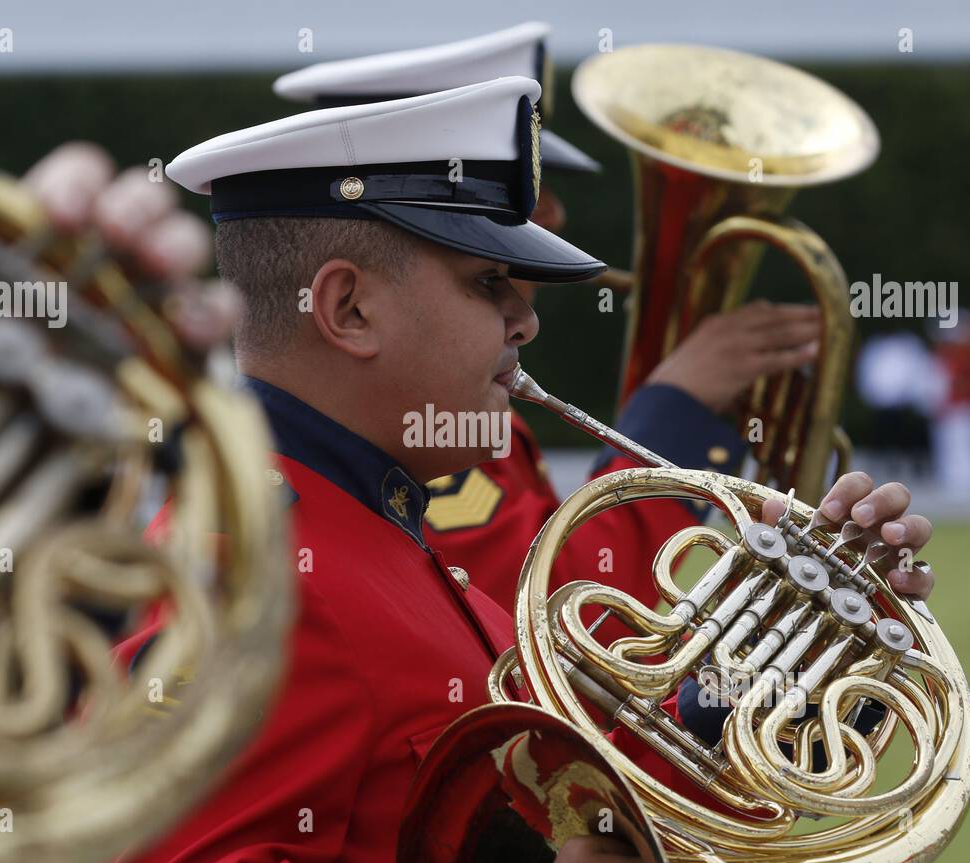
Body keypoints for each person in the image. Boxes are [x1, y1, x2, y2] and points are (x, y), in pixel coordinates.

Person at [86, 77, 936, 863]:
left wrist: (781, 667)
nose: (525, 321)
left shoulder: (382, 529)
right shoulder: (262, 594)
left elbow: (581, 791)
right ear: (347, 309)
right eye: (488, 282)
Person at [271, 23, 827, 623]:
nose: (555, 213)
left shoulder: (454, 387)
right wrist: (673, 414)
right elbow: (547, 615)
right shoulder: (418, 409)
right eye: (518, 185)